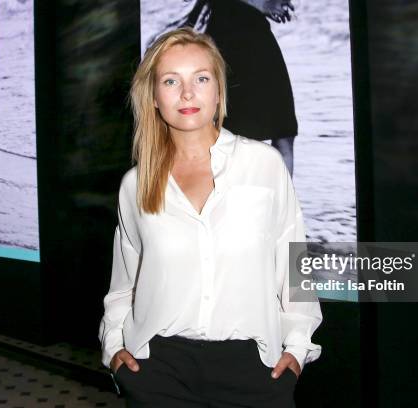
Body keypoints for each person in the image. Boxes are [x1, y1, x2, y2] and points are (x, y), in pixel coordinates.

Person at [98, 27, 321, 407]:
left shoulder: (263, 166)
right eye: (171, 81)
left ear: (218, 91)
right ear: (153, 96)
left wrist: (298, 349)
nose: (187, 93)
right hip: (158, 372)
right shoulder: (135, 184)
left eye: (201, 78)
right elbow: (124, 285)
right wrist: (115, 347)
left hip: (254, 372)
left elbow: (294, 267)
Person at [156, 0, 298, 174]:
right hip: (230, 34)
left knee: (283, 131)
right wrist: (261, 4)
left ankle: (280, 200)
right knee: (239, 136)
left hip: (255, 32)